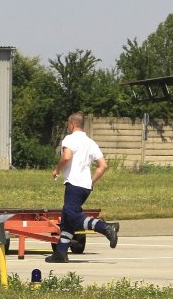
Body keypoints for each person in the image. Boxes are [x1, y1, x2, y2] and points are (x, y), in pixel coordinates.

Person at [45, 112, 119, 263]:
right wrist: (91, 182)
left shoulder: (70, 139)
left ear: (71, 124)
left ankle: (105, 227)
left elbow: (66, 157)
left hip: (74, 184)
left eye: (68, 124)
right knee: (67, 220)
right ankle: (60, 252)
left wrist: (57, 170)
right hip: (85, 186)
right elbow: (103, 166)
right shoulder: (90, 142)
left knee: (71, 216)